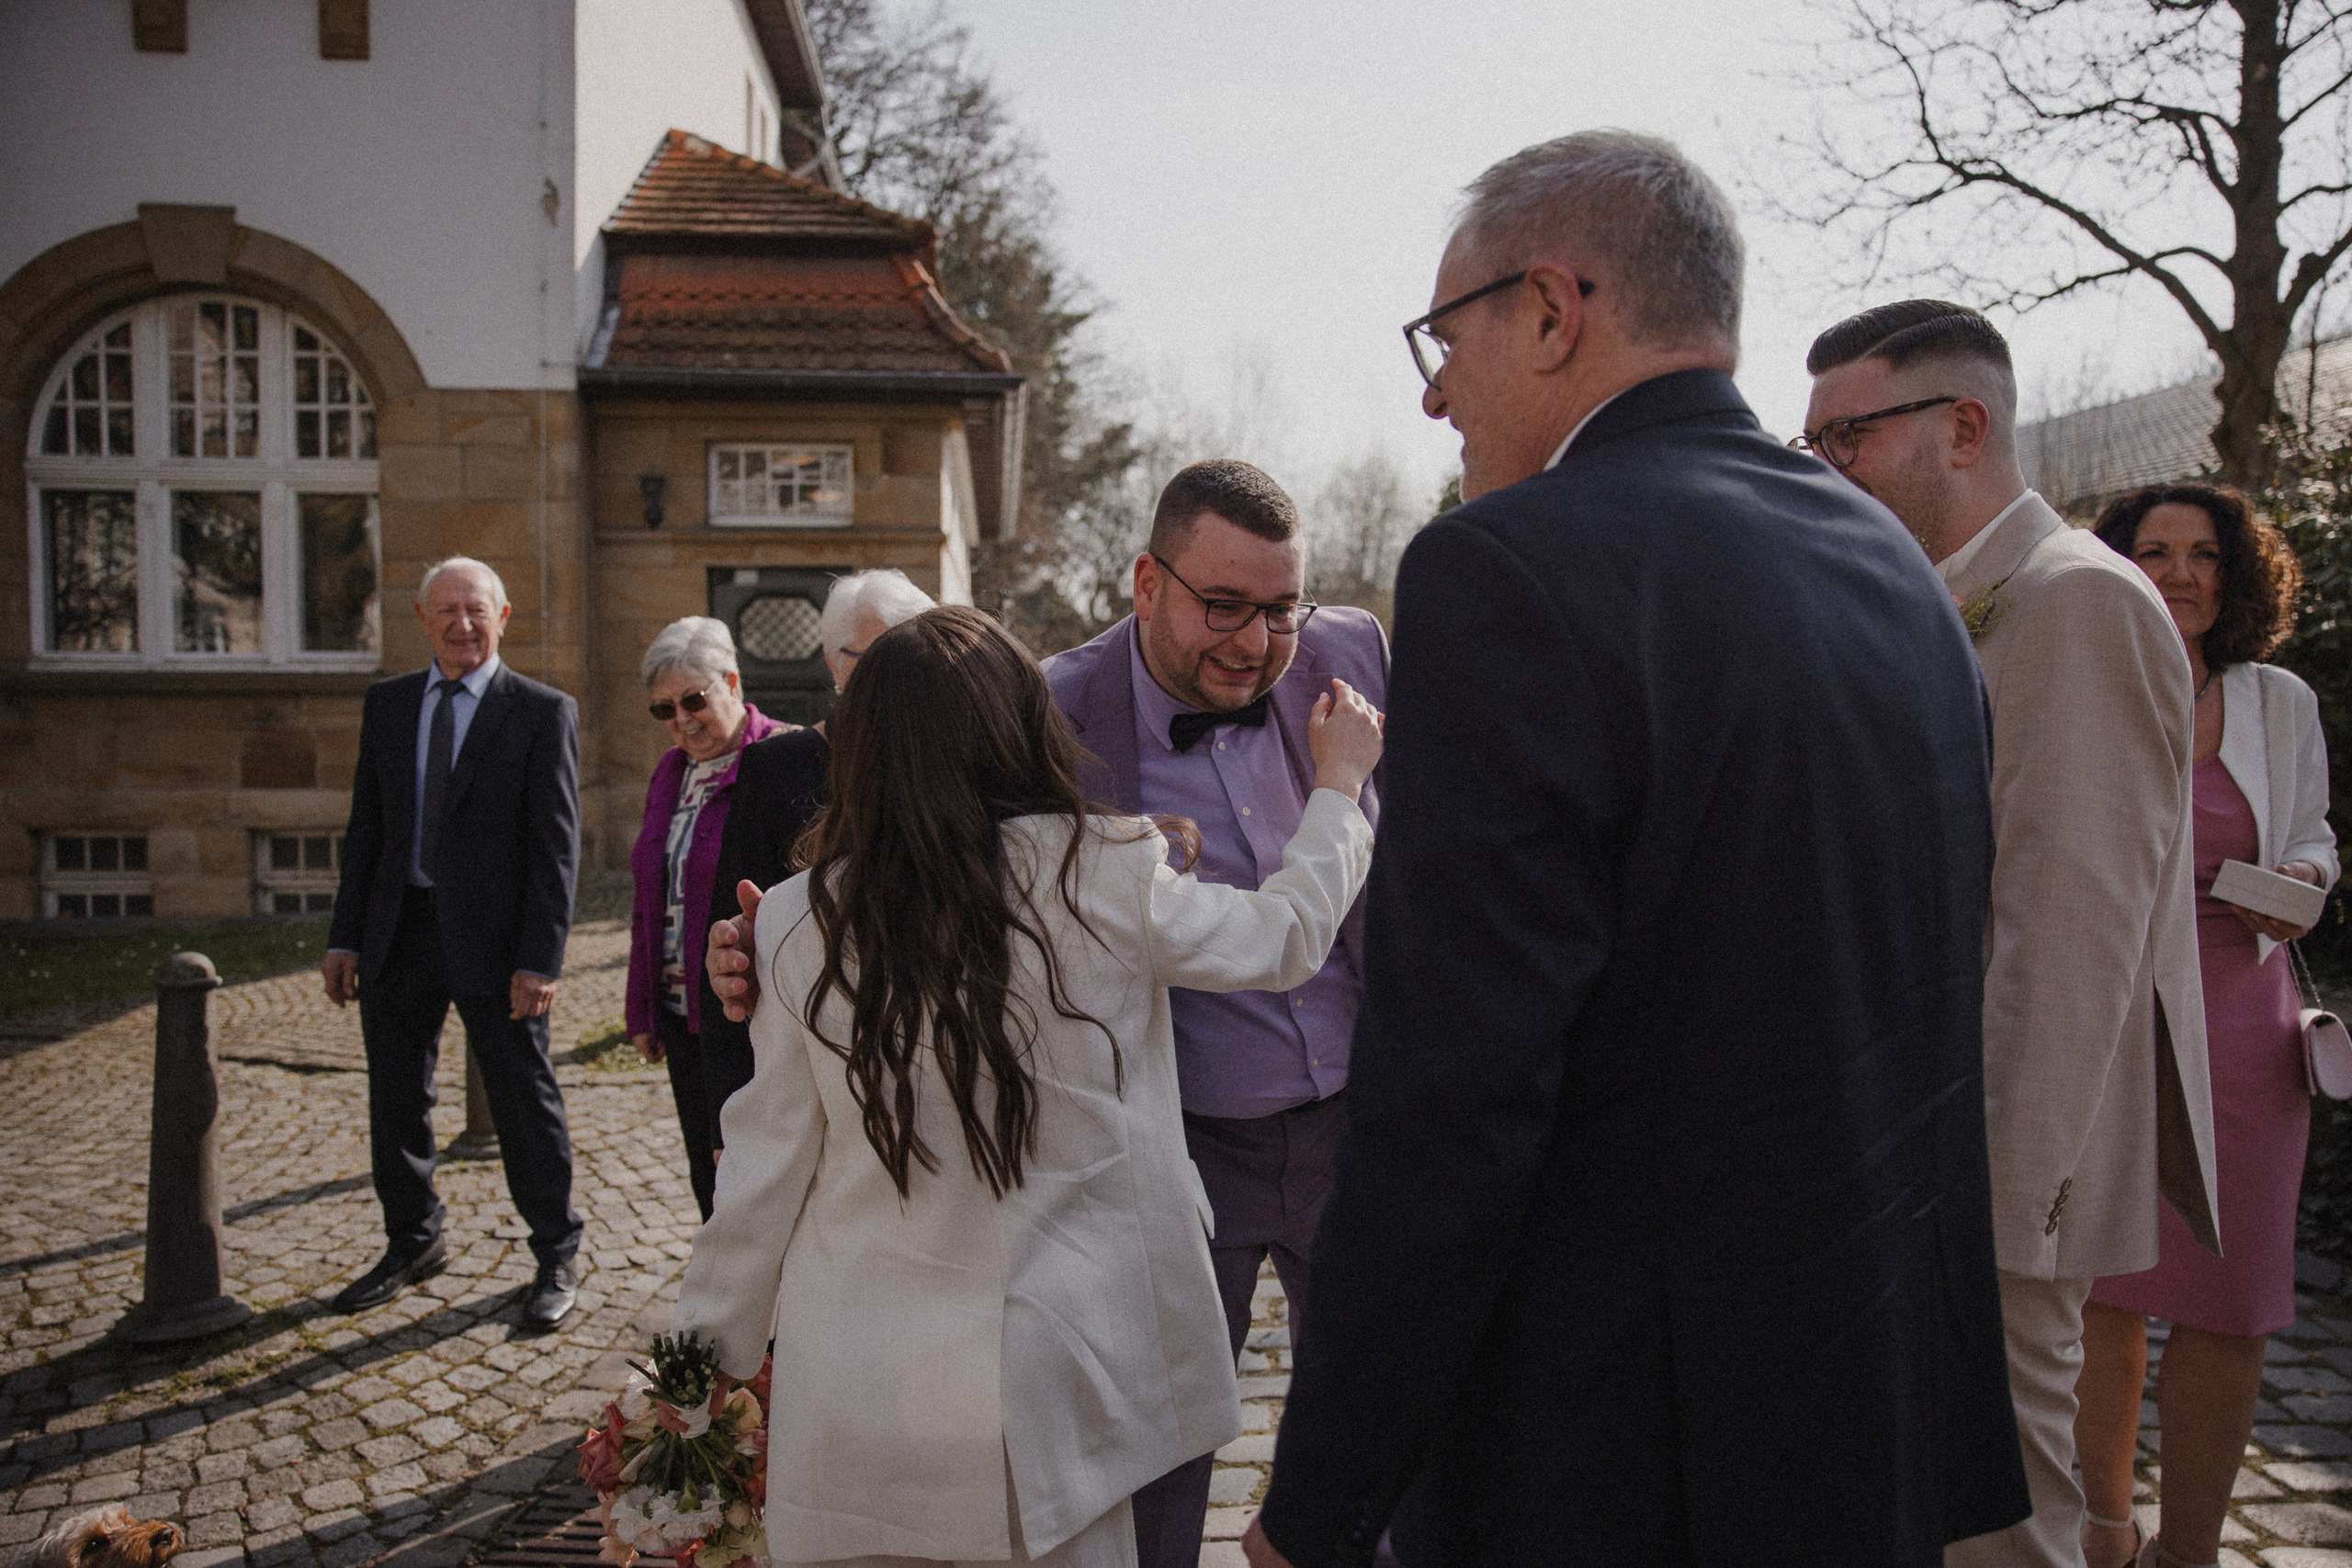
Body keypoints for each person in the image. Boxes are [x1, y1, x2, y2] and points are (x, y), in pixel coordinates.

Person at [1246, 131, 2025, 1568]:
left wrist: (1322, 1495)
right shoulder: (1899, 580)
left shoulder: (1510, 570)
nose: (1432, 391)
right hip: (1862, 1411)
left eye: (1447, 335)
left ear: (1552, 308)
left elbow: (1453, 1095)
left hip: (1618, 1452)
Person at [671, 606, 1385, 1568]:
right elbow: (1286, 937)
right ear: (1019, 726)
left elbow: (759, 1179)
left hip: (866, 1386)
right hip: (1067, 1381)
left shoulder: (797, 923)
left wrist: (691, 1380)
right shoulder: (1104, 872)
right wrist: (1338, 788)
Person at [1800, 300, 2220, 1568]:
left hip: (1988, 1178)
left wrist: (2001, 1205)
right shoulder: (1955, 596)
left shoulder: (2073, 598)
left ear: (1962, 426)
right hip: (1916, 1153)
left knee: (2001, 1526)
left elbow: (2073, 929)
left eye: (1846, 436)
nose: (1820, 466)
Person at [1043, 459, 1386, 1568]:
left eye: (1280, 608)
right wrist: (770, 953)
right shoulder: (1051, 712)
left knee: (1393, 1412)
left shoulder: (1353, 656)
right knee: (1161, 1446)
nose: (1254, 641)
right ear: (1146, 583)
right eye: (1222, 606)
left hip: (1360, 1123)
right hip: (1178, 1147)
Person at [2073, 483, 2337, 1568]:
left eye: (2202, 554)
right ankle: (2101, 1532)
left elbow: (2316, 831)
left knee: (2232, 1307)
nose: (2179, 573)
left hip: (2246, 1027)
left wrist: (2299, 874)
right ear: (2117, 569)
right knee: (2102, 1295)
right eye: (2153, 551)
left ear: (2235, 574)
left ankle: (2187, 1552)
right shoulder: (2081, 682)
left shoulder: (2278, 699)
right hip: (2108, 1020)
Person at [322, 557, 585, 1328]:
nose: (462, 624)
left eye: (477, 610)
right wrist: (345, 937)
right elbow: (365, 829)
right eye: (447, 611)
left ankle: (556, 1252)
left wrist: (542, 957)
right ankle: (413, 1239)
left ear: (503, 617)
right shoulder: (390, 704)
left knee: (522, 1098)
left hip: (499, 947)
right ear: (420, 617)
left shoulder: (541, 710)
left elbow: (555, 846)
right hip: (397, 932)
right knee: (396, 1097)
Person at [699, 569, 934, 1134]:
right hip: (812, 1066)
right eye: (875, 661)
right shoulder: (776, 770)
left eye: (912, 658)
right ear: (833, 665)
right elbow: (730, 947)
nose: (895, 680)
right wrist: (727, 1122)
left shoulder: (956, 765)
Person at [624, 615, 786, 1221]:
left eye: (694, 699)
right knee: (706, 1169)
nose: (683, 720)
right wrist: (642, 1005)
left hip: (751, 1012)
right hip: (682, 1011)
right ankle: (723, 1298)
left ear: (733, 682)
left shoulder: (777, 758)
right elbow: (649, 895)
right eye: (664, 710)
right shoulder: (671, 771)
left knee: (756, 1167)